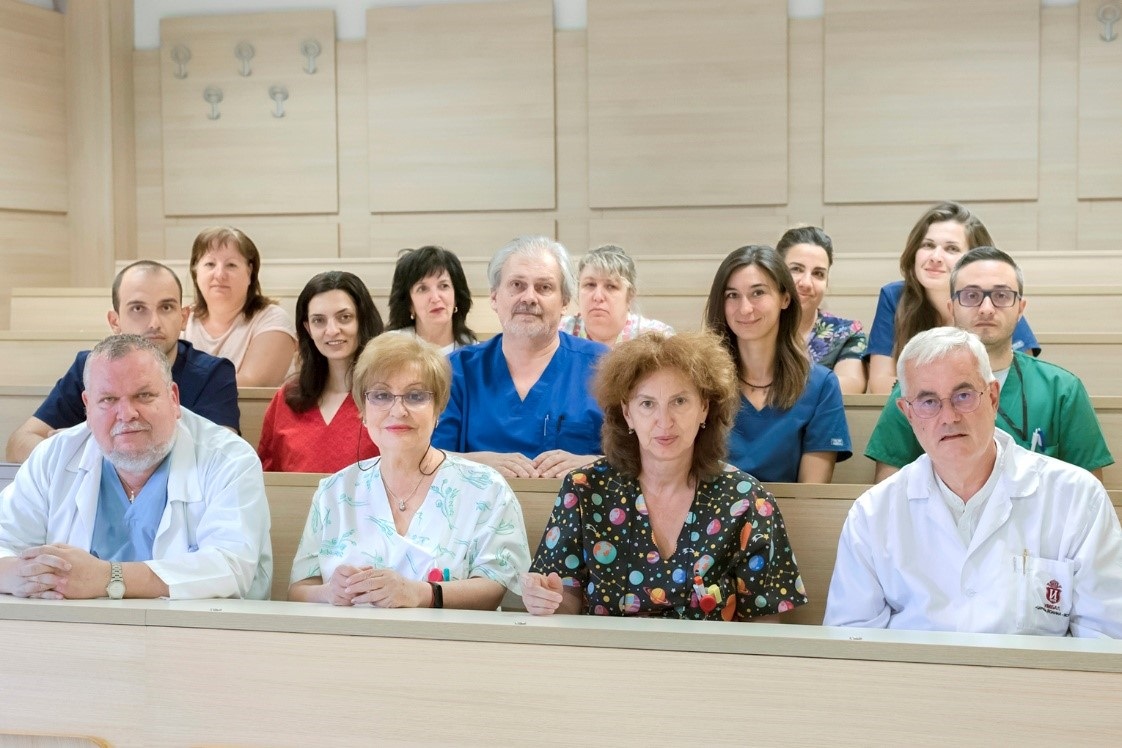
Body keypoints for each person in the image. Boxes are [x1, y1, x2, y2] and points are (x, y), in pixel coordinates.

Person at [824, 327, 1122, 636]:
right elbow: (852, 640)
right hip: (914, 669)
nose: (949, 417)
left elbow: (1104, 636)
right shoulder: (872, 514)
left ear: (992, 397)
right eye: (928, 402)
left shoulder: (1077, 497)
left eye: (963, 396)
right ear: (907, 413)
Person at [521, 330, 807, 620]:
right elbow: (564, 602)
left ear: (704, 408)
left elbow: (765, 620)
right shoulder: (585, 489)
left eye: (679, 401)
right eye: (647, 404)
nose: (664, 421)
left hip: (710, 651)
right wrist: (545, 599)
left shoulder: (747, 500)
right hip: (608, 650)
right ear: (628, 413)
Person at [0, 334, 272, 600]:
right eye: (108, 400)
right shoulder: (53, 456)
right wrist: (23, 574)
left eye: (143, 395)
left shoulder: (228, 460)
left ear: (173, 398)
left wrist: (108, 577)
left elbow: (232, 567)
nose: (127, 414)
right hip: (73, 626)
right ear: (88, 406)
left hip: (196, 628)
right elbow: (5, 541)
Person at [288, 334, 531, 609]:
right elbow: (298, 590)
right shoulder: (333, 491)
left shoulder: (485, 488)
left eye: (415, 396)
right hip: (348, 636)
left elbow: (495, 587)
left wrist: (421, 594)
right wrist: (329, 593)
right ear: (363, 411)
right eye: (381, 395)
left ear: (438, 410)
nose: (398, 410)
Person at [866, 246, 1112, 482]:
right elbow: (889, 491)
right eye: (971, 296)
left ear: (1020, 308)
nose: (986, 309)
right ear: (952, 308)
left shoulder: (1061, 390)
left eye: (1001, 296)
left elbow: (1088, 495)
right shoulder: (916, 387)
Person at [5, 261, 239, 463]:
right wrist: (69, 450)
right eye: (138, 308)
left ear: (184, 317)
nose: (154, 323)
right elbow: (19, 444)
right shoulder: (89, 368)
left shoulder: (213, 374)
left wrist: (86, 448)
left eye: (166, 307)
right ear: (114, 321)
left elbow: (222, 454)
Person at [432, 236, 608, 479]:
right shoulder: (456, 370)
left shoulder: (604, 366)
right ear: (494, 297)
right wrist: (477, 465)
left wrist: (595, 465)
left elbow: (643, 456)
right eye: (517, 285)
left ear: (565, 302)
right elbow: (426, 458)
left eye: (544, 287)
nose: (529, 297)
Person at [703, 245, 851, 483]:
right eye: (732, 295)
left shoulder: (821, 386)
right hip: (709, 507)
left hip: (789, 508)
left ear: (785, 298)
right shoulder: (701, 380)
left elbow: (811, 494)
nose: (745, 308)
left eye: (758, 293)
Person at [865, 201, 1040, 394]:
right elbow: (879, 383)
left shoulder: (997, 301)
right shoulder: (894, 296)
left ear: (974, 258)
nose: (935, 257)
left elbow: (1022, 381)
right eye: (928, 245)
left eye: (951, 249)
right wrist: (944, 396)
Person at [257, 271, 384, 473]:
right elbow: (268, 477)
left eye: (344, 317)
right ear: (308, 328)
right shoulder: (286, 399)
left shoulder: (389, 398)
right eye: (319, 320)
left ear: (363, 320)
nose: (332, 330)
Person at [184, 226, 297, 387]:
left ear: (249, 272)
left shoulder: (272, 319)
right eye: (210, 264)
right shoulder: (182, 320)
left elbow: (252, 385)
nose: (220, 274)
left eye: (231, 265)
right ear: (195, 271)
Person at [776, 226, 867, 394]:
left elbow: (851, 386)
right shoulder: (754, 324)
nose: (806, 283)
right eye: (796, 269)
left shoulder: (846, 333)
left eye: (818, 274)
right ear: (776, 273)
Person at [559, 244, 673, 347]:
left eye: (611, 286)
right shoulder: (559, 333)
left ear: (630, 296)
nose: (598, 297)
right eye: (590, 285)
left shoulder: (657, 339)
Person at [385, 245, 478, 355]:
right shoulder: (390, 348)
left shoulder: (474, 354)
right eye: (422, 289)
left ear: (456, 297)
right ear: (409, 303)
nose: (435, 298)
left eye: (444, 286)